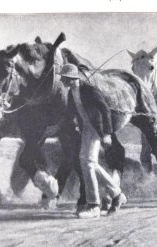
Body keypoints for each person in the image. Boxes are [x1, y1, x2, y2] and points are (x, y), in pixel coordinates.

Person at [44, 63, 126, 219]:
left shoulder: (89, 91)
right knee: (88, 163)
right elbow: (68, 115)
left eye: (65, 79)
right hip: (86, 130)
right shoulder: (71, 93)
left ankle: (94, 205)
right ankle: (116, 194)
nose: (63, 81)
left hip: (97, 129)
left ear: (72, 78)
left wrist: (107, 133)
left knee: (87, 163)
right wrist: (55, 128)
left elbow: (105, 110)